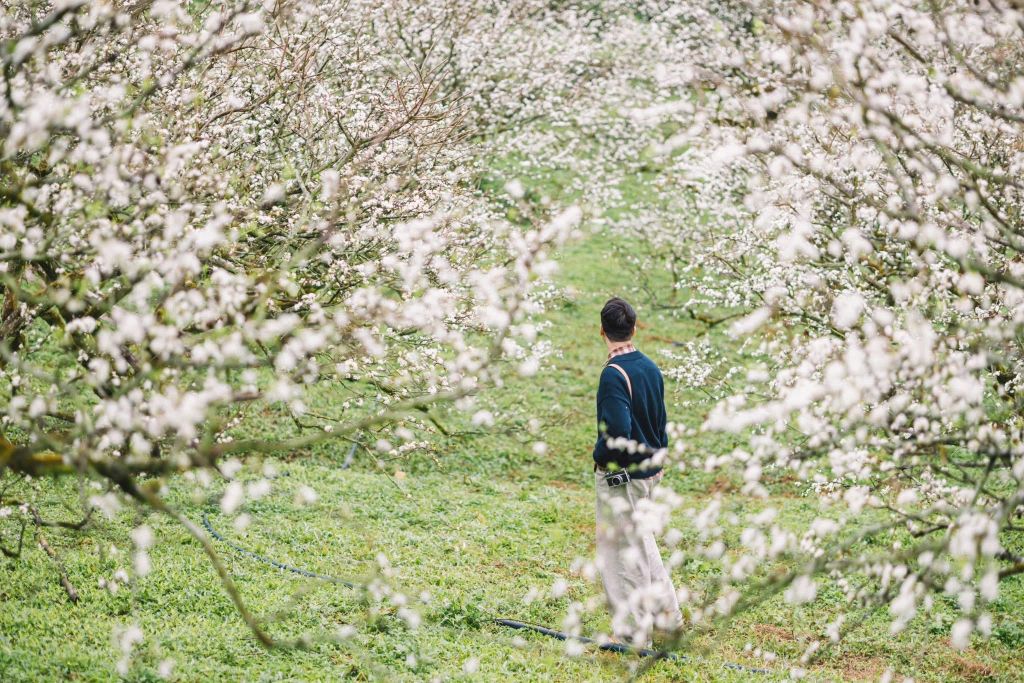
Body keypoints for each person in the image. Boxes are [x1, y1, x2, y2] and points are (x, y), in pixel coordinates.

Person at [592, 297, 682, 648]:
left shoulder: (614, 375)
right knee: (642, 541)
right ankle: (668, 617)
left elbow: (617, 431)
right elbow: (660, 422)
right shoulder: (650, 367)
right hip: (650, 471)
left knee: (620, 553)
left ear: (602, 330)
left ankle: (632, 634)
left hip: (622, 477)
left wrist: (600, 454)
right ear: (635, 326)